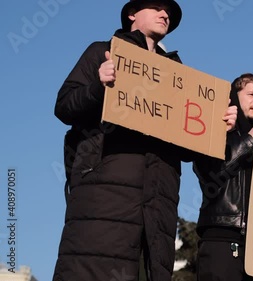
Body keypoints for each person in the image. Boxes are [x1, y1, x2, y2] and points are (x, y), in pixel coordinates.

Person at [52, 1, 237, 280]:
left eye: (170, 14)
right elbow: (64, 107)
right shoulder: (102, 52)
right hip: (103, 201)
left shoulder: (177, 73)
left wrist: (217, 127)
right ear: (132, 14)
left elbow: (188, 150)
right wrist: (97, 87)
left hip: (157, 209)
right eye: (157, 8)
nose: (166, 15)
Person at [193, 73, 253, 281]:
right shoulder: (217, 130)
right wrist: (248, 141)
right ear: (235, 97)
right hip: (222, 238)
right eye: (252, 94)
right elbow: (211, 174)